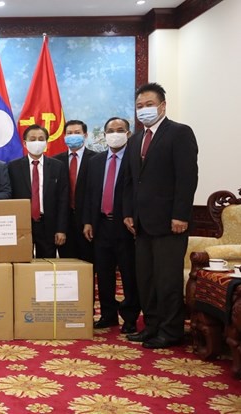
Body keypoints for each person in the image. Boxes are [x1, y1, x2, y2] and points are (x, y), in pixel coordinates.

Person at [123, 83, 198, 349]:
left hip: (170, 223)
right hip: (142, 224)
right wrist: (128, 214)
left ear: (163, 106)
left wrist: (180, 215)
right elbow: (130, 181)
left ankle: (171, 330)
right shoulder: (135, 140)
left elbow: (187, 177)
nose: (144, 110)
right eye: (139, 106)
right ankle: (152, 326)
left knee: (167, 280)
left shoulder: (179, 133)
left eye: (149, 105)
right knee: (146, 280)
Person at [83, 117, 140, 334]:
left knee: (128, 274)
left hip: (125, 225)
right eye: (110, 130)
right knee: (104, 275)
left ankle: (130, 317)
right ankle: (108, 315)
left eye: (120, 130)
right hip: (101, 226)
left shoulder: (135, 160)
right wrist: (88, 221)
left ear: (128, 134)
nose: (115, 134)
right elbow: (89, 194)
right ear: (104, 135)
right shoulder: (95, 161)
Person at [8, 124, 68, 258]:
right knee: (22, 262)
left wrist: (61, 229)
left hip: (48, 225)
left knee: (46, 264)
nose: (37, 142)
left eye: (41, 139)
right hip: (22, 224)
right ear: (25, 143)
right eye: (32, 139)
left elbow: (63, 200)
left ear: (46, 143)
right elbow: (10, 197)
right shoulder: (13, 167)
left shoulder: (57, 166)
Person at [54, 120, 96, 262]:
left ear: (85, 135)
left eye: (77, 132)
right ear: (64, 136)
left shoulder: (96, 159)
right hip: (64, 222)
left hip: (87, 222)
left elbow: (95, 194)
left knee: (88, 263)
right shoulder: (56, 161)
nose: (73, 136)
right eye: (69, 133)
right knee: (67, 265)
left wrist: (89, 221)